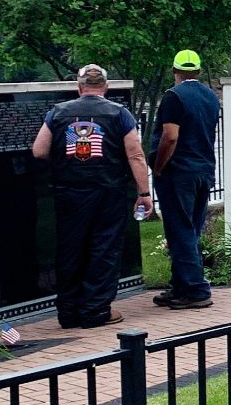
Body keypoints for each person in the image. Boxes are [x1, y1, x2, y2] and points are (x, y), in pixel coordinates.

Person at [31, 65, 151, 328]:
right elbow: (135, 155)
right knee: (104, 248)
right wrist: (143, 192)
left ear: (79, 86)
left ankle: (68, 312)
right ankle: (95, 310)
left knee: (70, 249)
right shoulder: (120, 114)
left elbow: (39, 150)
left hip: (68, 192)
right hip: (108, 191)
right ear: (105, 87)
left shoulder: (58, 113)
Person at [150, 50, 218, 311]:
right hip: (204, 170)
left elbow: (170, 136)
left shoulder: (173, 96)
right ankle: (180, 286)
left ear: (175, 70)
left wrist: (158, 167)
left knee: (180, 230)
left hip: (178, 172)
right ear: (198, 71)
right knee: (191, 228)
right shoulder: (210, 96)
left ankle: (196, 290)